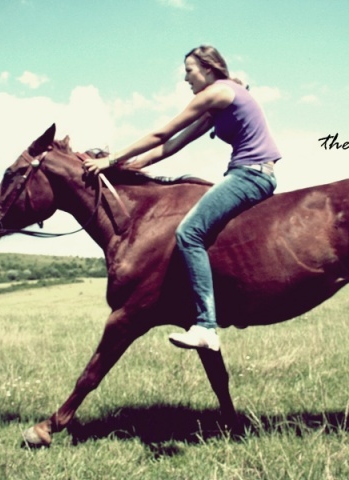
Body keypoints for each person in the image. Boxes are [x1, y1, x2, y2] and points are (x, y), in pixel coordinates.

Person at [84, 45, 280, 351]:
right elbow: (172, 145)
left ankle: (206, 327)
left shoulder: (217, 93)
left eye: (189, 71)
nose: (186, 79)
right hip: (249, 172)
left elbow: (161, 134)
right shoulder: (219, 104)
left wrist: (109, 161)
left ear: (209, 69)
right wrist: (130, 167)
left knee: (189, 233)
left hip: (250, 174)